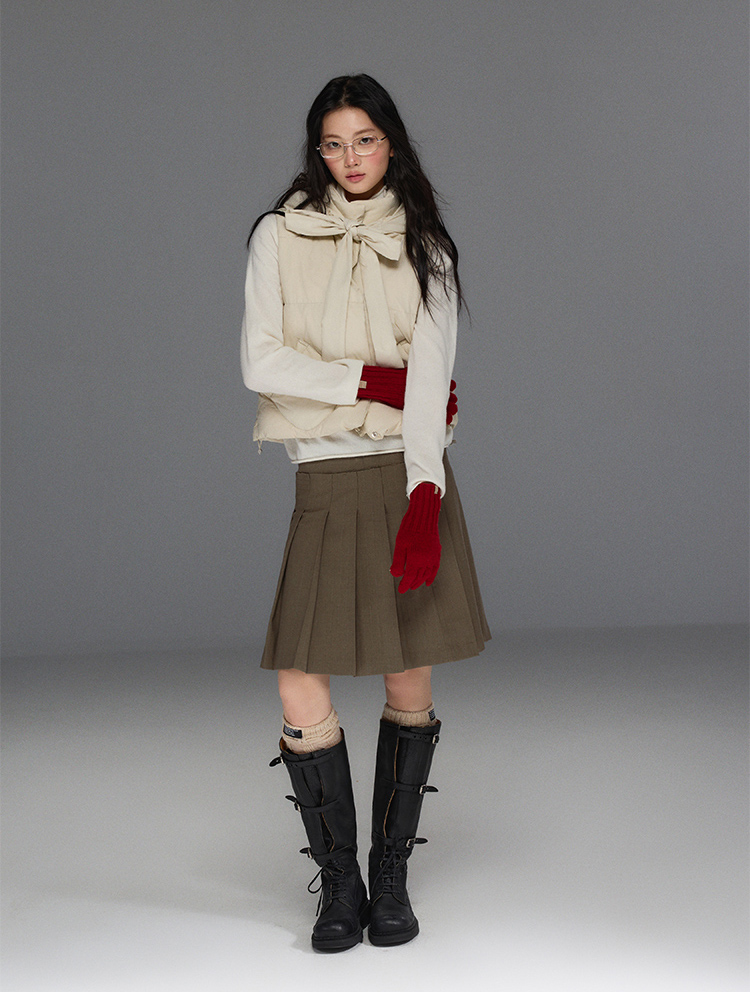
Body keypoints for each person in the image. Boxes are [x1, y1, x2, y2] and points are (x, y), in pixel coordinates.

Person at [241, 74, 490, 952]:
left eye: (367, 140)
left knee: (407, 673)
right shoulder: (278, 234)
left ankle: (390, 881)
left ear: (392, 144)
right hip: (327, 474)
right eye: (334, 143)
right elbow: (261, 362)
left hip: (405, 474)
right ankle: (338, 884)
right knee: (300, 679)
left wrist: (425, 491)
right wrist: (371, 380)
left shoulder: (426, 244)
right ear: (318, 149)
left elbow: (433, 379)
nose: (351, 158)